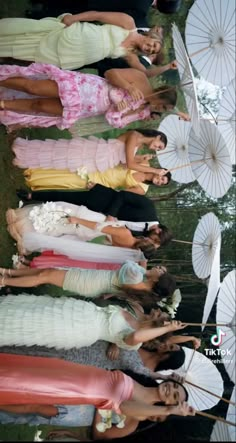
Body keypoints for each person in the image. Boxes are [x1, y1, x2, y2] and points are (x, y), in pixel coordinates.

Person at [0, 354, 195, 438]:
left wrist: (170, 410)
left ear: (168, 403)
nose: (172, 389)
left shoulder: (144, 412)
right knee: (34, 372)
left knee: (28, 389)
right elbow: (133, 367)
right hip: (79, 372)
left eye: (175, 396)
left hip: (78, 389)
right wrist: (164, 375)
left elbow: (124, 407)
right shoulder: (144, 382)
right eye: (175, 386)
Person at [0, 65, 179, 131]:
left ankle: (3, 104)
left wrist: (117, 111)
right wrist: (128, 87)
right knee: (34, 87)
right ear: (162, 95)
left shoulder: (142, 111)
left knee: (40, 106)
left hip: (89, 108)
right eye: (163, 107)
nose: (159, 111)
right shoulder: (140, 78)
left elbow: (117, 123)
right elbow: (111, 73)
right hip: (86, 88)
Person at [0, 294, 187, 349]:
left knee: (34, 323)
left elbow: (137, 335)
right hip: (79, 310)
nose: (157, 311)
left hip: (79, 329)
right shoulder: (136, 314)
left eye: (160, 315)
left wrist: (168, 328)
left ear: (158, 326)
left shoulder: (135, 343)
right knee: (38, 308)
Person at [0, 12, 163, 71]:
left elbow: (144, 71)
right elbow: (98, 15)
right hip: (75, 37)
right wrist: (73, 18)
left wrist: (168, 66)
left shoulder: (130, 55)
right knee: (34, 37)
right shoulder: (129, 23)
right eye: (154, 45)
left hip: (76, 56)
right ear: (151, 36)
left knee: (29, 54)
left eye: (153, 51)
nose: (150, 48)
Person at [5, 202, 160, 260]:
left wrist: (78, 220)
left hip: (92, 222)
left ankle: (22, 223)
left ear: (145, 241)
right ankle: (27, 233)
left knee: (62, 211)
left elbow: (98, 226)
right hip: (89, 235)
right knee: (58, 228)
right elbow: (107, 240)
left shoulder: (126, 234)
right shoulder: (125, 250)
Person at [0, 262, 176, 301]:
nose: (158, 268)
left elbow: (128, 264)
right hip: (94, 279)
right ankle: (8, 272)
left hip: (89, 282)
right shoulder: (142, 283)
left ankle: (4, 281)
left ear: (156, 280)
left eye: (160, 272)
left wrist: (147, 270)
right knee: (47, 271)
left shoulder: (138, 276)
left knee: (44, 276)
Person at [12, 129, 167, 173]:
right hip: (96, 151)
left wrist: (140, 159)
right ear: (157, 136)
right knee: (62, 152)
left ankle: (26, 160)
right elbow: (131, 164)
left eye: (159, 149)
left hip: (103, 161)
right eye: (159, 145)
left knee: (63, 162)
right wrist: (155, 170)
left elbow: (125, 164)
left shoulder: (139, 147)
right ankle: (24, 150)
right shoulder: (135, 136)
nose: (156, 148)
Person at [16, 184, 159, 222]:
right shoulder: (148, 207)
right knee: (64, 197)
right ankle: (31, 195)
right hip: (101, 199)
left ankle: (37, 216)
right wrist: (111, 214)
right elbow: (122, 195)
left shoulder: (142, 232)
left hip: (94, 218)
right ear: (159, 230)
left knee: (63, 211)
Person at [26, 0, 183, 27]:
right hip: (96, 10)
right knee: (62, 13)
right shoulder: (140, 12)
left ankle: (37, 1)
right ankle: (34, 16)